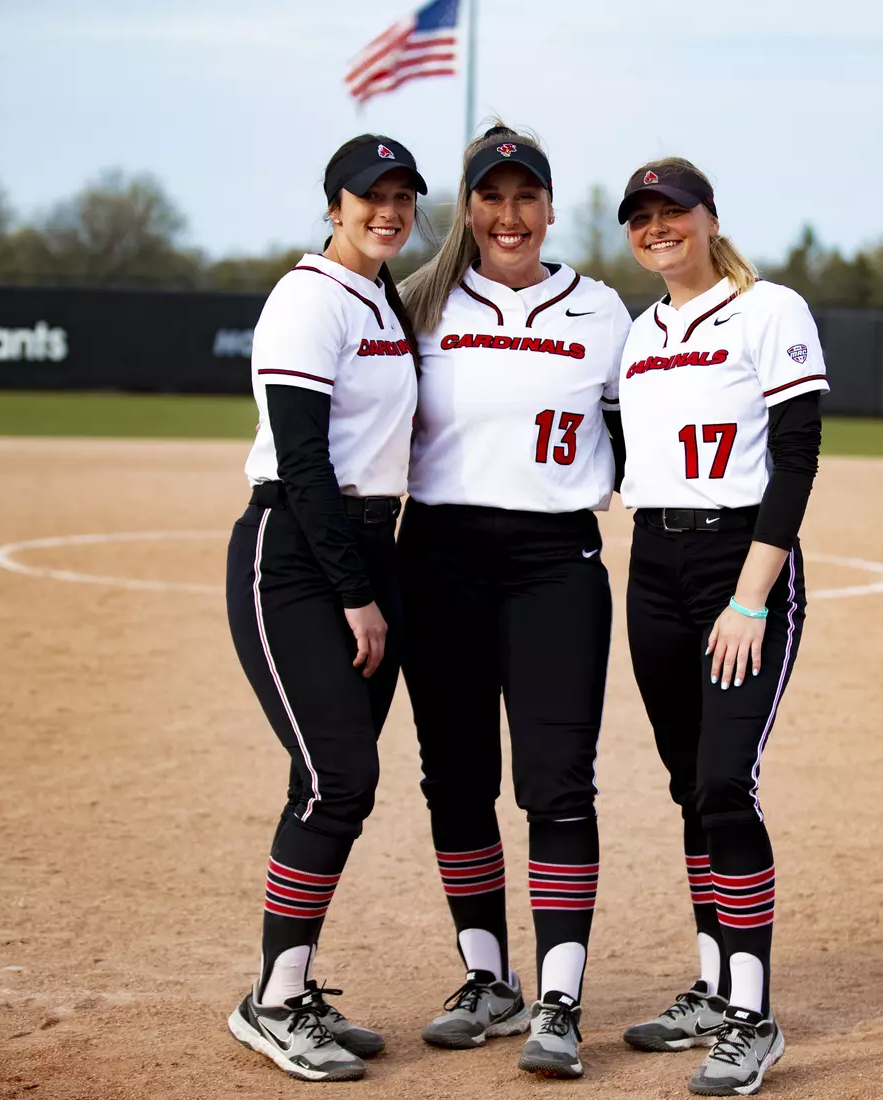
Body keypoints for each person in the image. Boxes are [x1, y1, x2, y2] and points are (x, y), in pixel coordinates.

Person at [398, 123, 631, 1079]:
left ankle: (561, 1000)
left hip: (554, 561)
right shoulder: (415, 306)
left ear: (548, 206)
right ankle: (488, 979)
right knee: (455, 778)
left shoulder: (604, 313)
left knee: (556, 784)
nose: (508, 215)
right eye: (490, 198)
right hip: (439, 558)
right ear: (468, 207)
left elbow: (646, 439)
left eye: (524, 196)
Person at [612, 159, 826, 1096]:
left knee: (726, 785)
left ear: (708, 217)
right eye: (642, 218)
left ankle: (751, 1012)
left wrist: (749, 597)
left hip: (741, 565)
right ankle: (708, 984)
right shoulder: (639, 330)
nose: (659, 228)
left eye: (673, 212)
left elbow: (797, 459)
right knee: (688, 788)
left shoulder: (768, 308)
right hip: (653, 566)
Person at [223, 134, 426, 1083]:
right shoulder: (307, 297)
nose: (387, 210)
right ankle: (270, 1003)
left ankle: (288, 985)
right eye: (369, 196)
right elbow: (303, 458)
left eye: (401, 196)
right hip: (299, 555)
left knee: (338, 782)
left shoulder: (380, 295)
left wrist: (377, 577)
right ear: (334, 204)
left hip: (371, 549)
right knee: (334, 777)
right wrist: (354, 592)